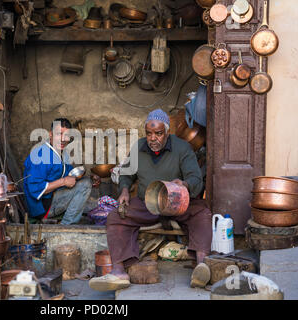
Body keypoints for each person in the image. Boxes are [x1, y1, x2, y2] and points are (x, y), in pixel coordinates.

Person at [89, 109, 212, 291]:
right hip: (147, 203)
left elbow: (196, 179)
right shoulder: (138, 147)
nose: (153, 138)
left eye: (158, 133)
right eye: (149, 133)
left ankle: (201, 265)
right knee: (116, 217)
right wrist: (124, 190)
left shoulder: (182, 148)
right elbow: (126, 174)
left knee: (202, 212)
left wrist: (184, 184)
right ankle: (119, 271)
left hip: (177, 202)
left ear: (167, 133)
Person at [23, 118, 99, 225]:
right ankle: (66, 226)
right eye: (59, 134)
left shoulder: (61, 153)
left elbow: (69, 173)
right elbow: (35, 189)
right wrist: (63, 182)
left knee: (87, 182)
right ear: (50, 134)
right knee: (85, 185)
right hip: (41, 208)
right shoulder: (41, 154)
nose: (63, 139)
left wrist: (90, 177)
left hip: (53, 199)